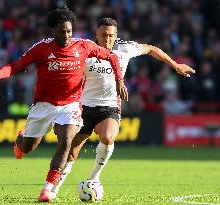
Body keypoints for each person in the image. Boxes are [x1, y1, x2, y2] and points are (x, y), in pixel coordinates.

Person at [0, 9, 128, 203]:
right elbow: (16, 65)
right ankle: (21, 141)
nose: (66, 36)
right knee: (28, 147)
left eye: (69, 31)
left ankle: (47, 189)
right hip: (43, 105)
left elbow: (112, 57)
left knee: (66, 141)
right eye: (61, 31)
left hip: (71, 104)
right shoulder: (41, 48)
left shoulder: (83, 46)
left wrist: (119, 81)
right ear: (53, 30)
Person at [49, 17, 195, 199]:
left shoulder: (124, 48)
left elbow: (151, 49)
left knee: (108, 137)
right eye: (103, 35)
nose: (107, 39)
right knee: (70, 153)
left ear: (116, 35)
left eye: (111, 35)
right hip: (83, 107)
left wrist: (175, 65)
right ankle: (52, 191)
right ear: (96, 34)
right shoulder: (84, 49)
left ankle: (94, 178)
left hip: (109, 108)